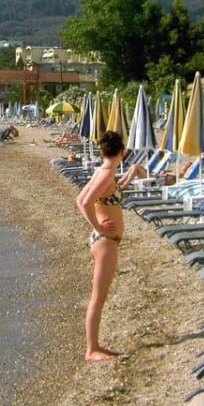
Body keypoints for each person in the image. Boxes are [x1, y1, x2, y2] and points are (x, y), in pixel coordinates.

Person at [75, 130, 128, 361]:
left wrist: (96, 226)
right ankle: (92, 349)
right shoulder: (106, 175)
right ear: (122, 152)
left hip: (104, 240)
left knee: (99, 297)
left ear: (101, 151)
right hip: (105, 242)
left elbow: (80, 200)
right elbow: (85, 202)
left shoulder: (102, 171)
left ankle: (95, 346)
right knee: (98, 298)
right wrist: (98, 226)